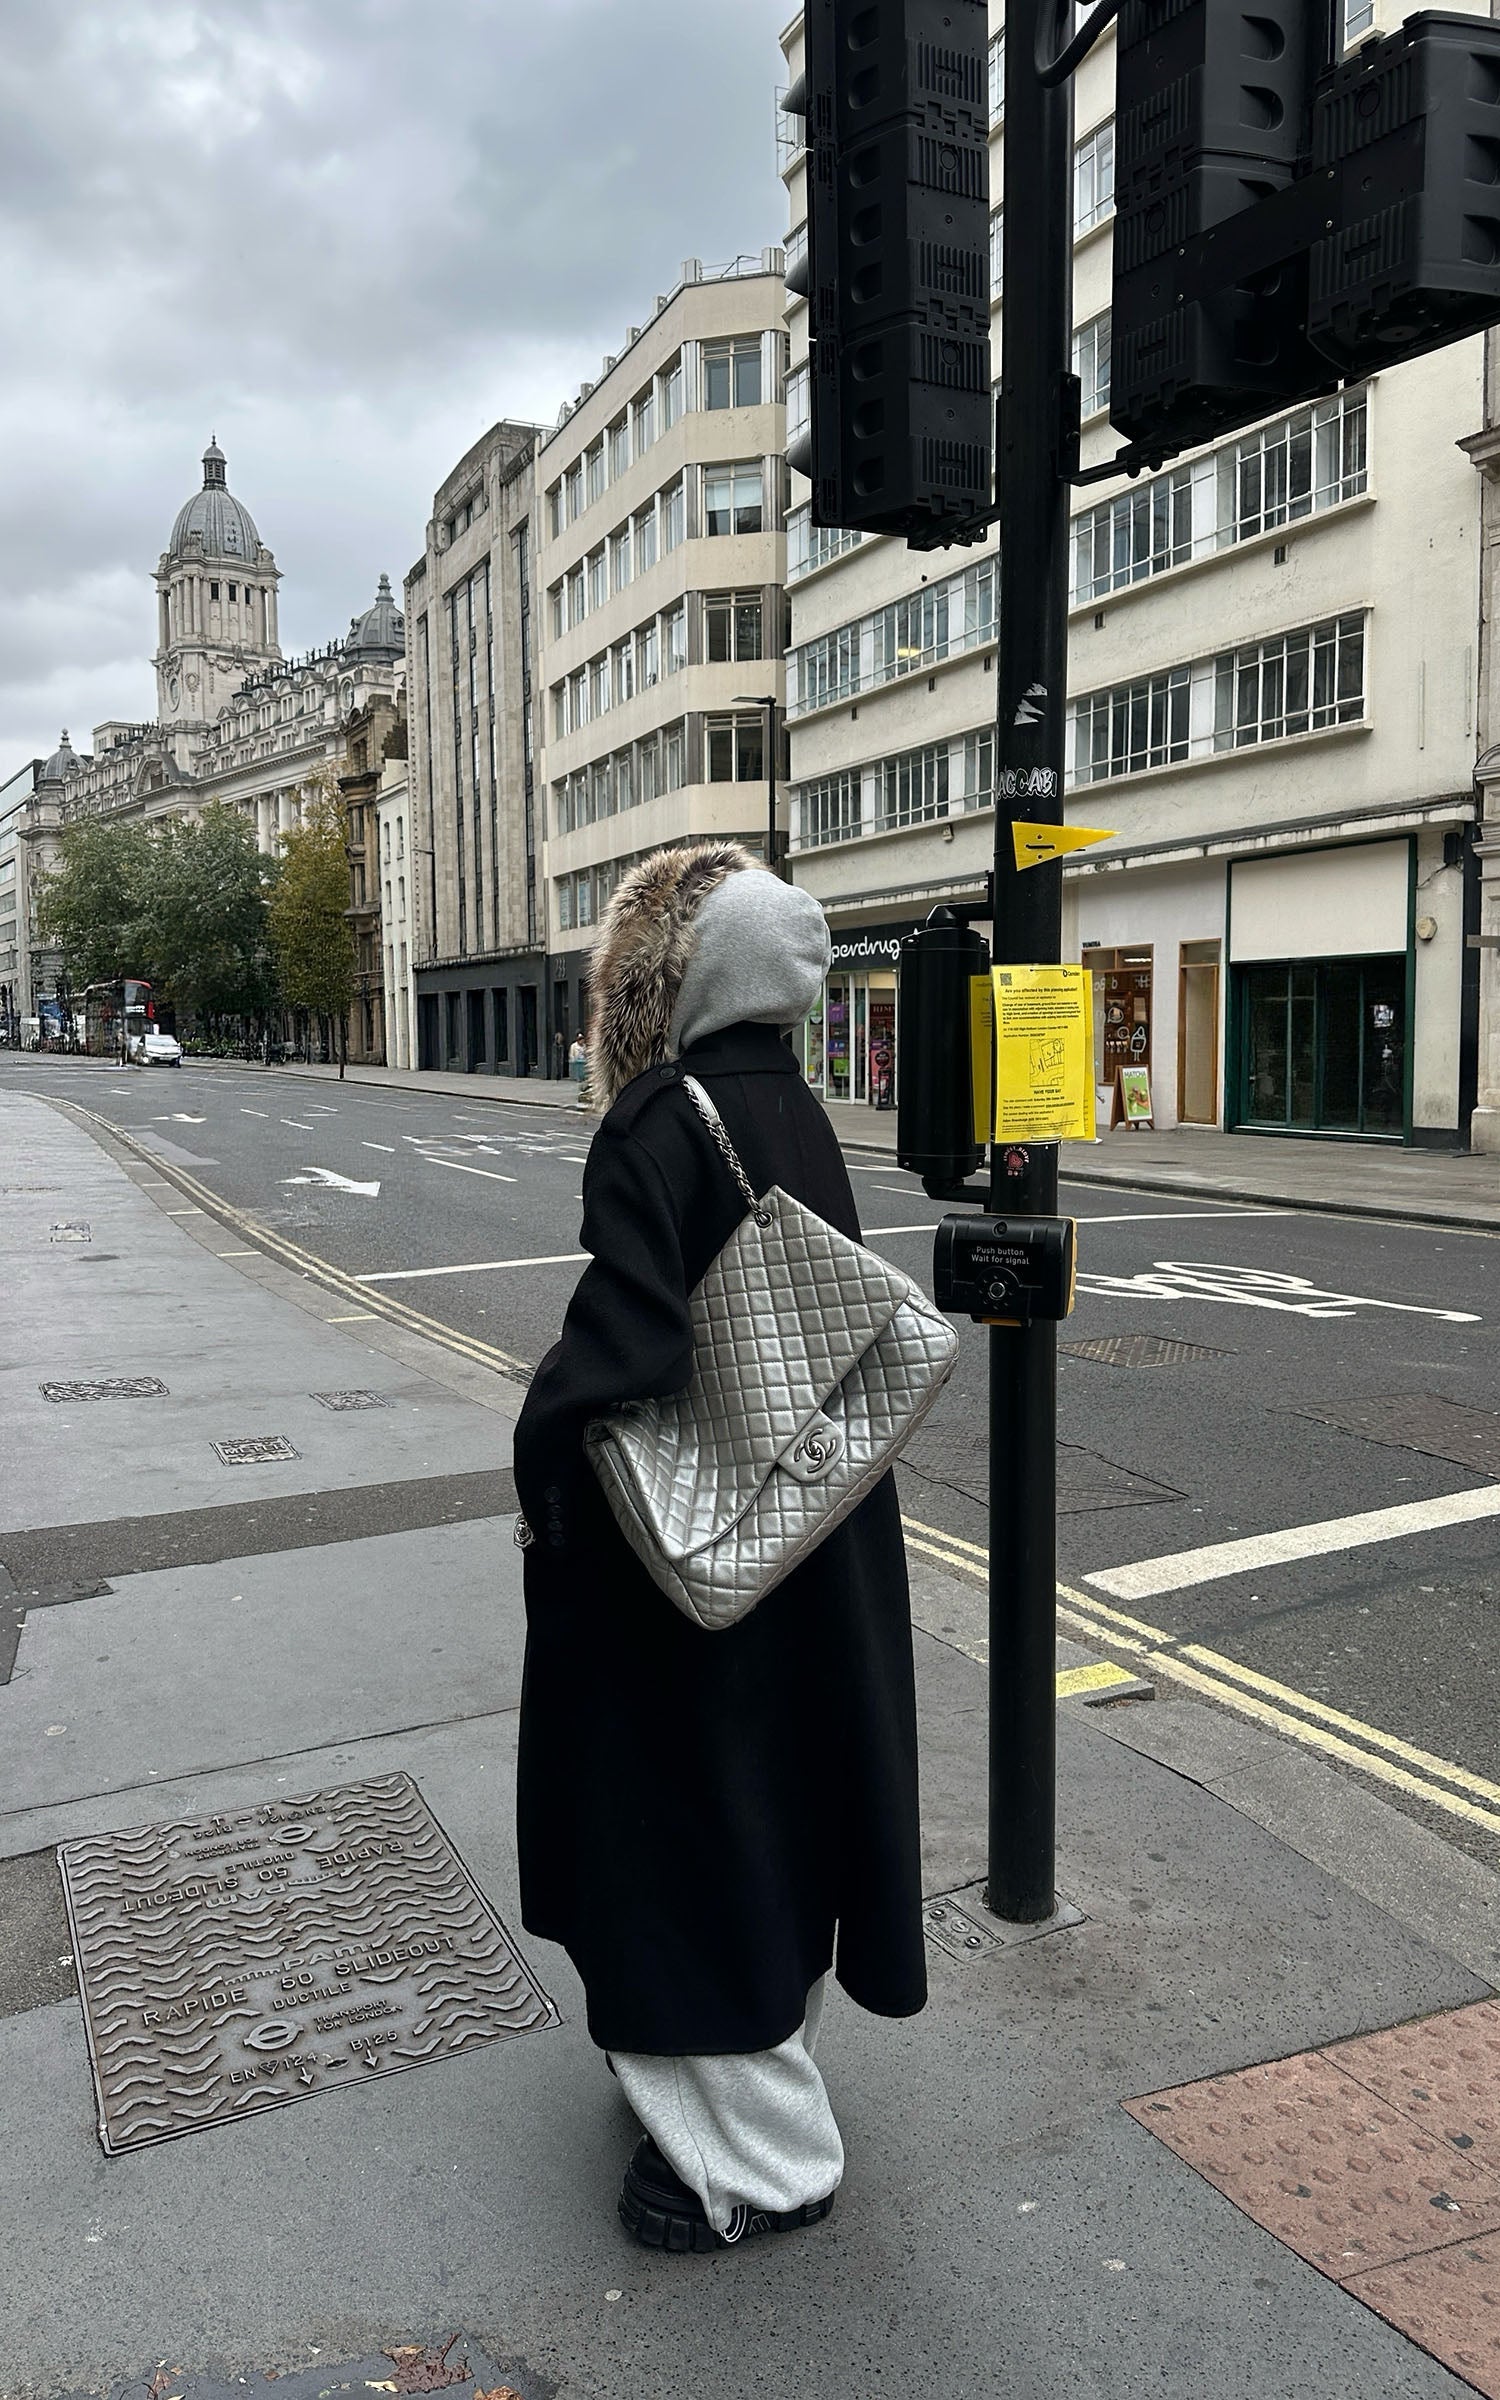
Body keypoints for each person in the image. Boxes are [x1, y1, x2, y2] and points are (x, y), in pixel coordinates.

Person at [512, 841, 926, 2254]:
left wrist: (546, 1452)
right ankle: (752, 2076)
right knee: (782, 1805)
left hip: (688, 1556)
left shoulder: (658, 1118)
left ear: (669, 978)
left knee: (674, 1829)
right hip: (817, 1522)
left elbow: (627, 1345)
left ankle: (765, 2163)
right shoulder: (794, 1104)